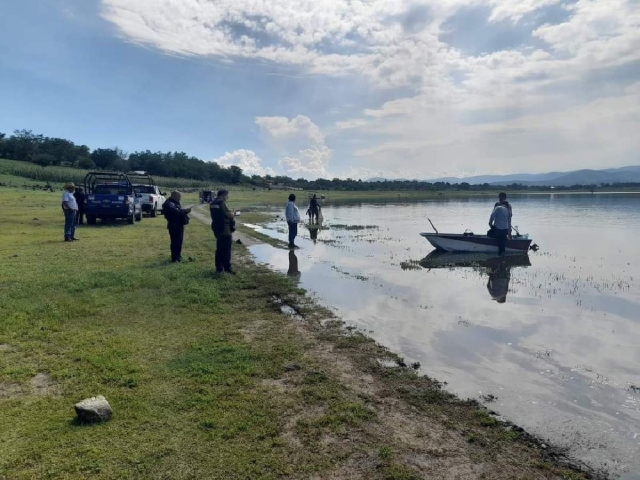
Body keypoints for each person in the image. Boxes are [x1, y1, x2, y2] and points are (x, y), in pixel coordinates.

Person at [210, 189, 236, 274]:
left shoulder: (213, 202)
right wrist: (233, 213)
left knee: (219, 249)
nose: (227, 197)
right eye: (227, 195)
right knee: (226, 250)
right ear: (224, 194)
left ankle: (219, 268)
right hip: (225, 229)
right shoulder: (222, 202)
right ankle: (227, 268)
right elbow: (229, 214)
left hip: (217, 227)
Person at [162, 191, 191, 263]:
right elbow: (176, 212)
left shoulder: (174, 203)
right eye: (179, 197)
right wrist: (185, 211)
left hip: (178, 224)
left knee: (179, 241)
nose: (180, 198)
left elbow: (178, 211)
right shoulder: (169, 203)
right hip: (174, 225)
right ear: (174, 196)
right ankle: (175, 258)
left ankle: (178, 256)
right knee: (175, 242)